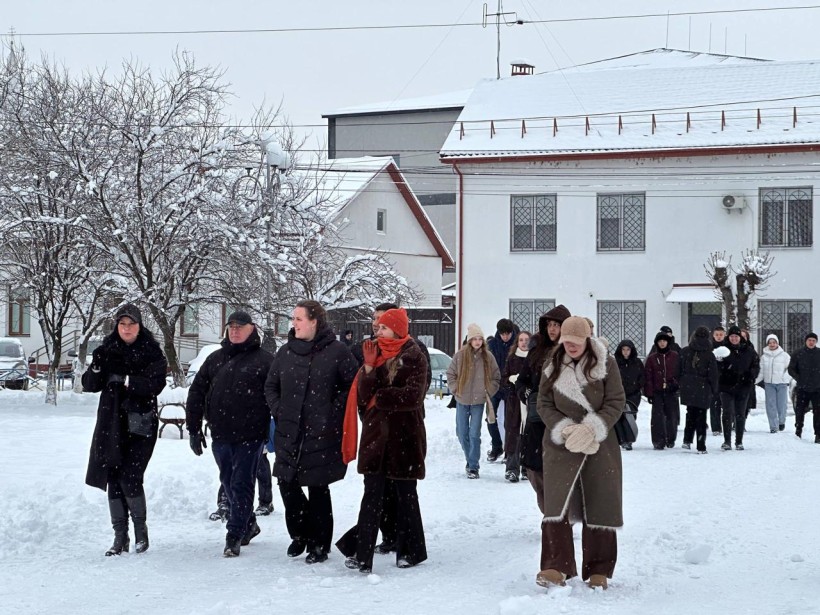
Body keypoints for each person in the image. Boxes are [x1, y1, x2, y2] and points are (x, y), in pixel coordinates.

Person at [535, 316, 625, 590]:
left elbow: (616, 400)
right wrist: (564, 429)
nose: (571, 346)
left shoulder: (606, 363)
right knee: (556, 506)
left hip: (599, 444)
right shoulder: (552, 365)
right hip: (561, 445)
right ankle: (555, 566)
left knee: (600, 502)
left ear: (587, 339)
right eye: (566, 341)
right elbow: (543, 402)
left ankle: (599, 569)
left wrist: (593, 427)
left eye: (576, 341)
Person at [265, 300, 358, 563]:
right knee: (287, 484)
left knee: (318, 488)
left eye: (298, 319)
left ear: (314, 321)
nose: (293, 324)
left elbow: (352, 386)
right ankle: (300, 534)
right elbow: (270, 386)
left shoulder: (337, 351)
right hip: (288, 431)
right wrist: (279, 410)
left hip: (321, 432)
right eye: (292, 319)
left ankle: (320, 544)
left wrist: (330, 410)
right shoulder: (285, 352)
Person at [337, 308, 428, 573]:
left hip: (405, 437)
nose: (378, 331)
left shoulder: (414, 356)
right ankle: (363, 554)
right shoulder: (374, 353)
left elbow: (413, 396)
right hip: (376, 436)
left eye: (384, 328)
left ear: (397, 330)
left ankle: (410, 551)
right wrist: (367, 368)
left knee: (406, 495)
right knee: (372, 496)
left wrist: (382, 397)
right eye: (378, 328)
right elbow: (365, 398)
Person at [186, 310, 274, 557]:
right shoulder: (215, 358)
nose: (235, 330)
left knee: (242, 482)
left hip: (251, 435)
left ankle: (234, 534)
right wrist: (193, 428)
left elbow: (278, 397)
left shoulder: (265, 360)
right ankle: (249, 524)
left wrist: (282, 431)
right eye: (231, 326)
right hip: (221, 433)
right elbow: (196, 393)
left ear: (252, 328)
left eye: (240, 326)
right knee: (227, 480)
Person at [83, 304, 167, 556]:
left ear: (140, 326)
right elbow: (89, 385)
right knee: (113, 476)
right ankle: (120, 536)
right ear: (117, 326)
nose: (127, 328)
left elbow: (156, 384)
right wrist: (97, 367)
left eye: (131, 324)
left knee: (130, 475)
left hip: (140, 424)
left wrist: (127, 381)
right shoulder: (106, 351)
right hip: (111, 424)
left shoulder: (151, 352)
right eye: (122, 324)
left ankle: (141, 531)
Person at [515, 305, 570, 508]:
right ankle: (549, 511)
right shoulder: (537, 351)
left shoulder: (571, 352)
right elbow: (522, 381)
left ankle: (558, 516)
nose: (552, 329)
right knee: (534, 469)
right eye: (550, 325)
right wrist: (528, 394)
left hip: (562, 420)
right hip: (537, 420)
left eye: (557, 325)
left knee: (561, 469)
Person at [446, 323, 501, 479]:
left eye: (480, 339)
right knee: (462, 433)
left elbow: (496, 377)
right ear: (469, 340)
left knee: (474, 434)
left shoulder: (488, 357)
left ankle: (473, 466)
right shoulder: (460, 356)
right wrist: (456, 389)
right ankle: (470, 459)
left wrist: (488, 391)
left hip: (479, 401)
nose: (477, 342)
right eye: (474, 339)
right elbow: (450, 374)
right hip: (462, 400)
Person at [209, 418, 275, 521]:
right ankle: (225, 503)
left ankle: (265, 502)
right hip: (233, 423)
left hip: (256, 424)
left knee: (259, 463)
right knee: (230, 467)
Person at [716, 325, 759, 451]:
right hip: (726, 386)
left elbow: (755, 366)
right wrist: (723, 369)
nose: (734, 339)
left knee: (740, 413)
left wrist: (751, 376)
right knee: (727, 412)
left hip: (743, 386)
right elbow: (716, 367)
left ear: (740, 337)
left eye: (736, 336)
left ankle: (739, 441)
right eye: (732, 336)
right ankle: (727, 441)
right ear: (728, 337)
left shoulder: (749, 350)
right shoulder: (722, 350)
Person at [679, 326, 719, 453]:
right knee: (701, 416)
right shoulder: (709, 354)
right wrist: (714, 389)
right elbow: (713, 374)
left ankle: (687, 439)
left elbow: (678, 369)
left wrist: (682, 383)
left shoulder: (685, 351)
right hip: (703, 387)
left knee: (690, 413)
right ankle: (701, 445)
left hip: (689, 386)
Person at [487, 318, 519, 461]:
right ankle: (496, 446)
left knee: (510, 421)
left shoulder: (518, 344)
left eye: (508, 334)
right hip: (495, 386)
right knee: (490, 418)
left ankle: (509, 450)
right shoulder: (492, 344)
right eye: (502, 334)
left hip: (511, 386)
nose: (505, 336)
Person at [500, 330, 531, 482]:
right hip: (514, 403)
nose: (524, 342)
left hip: (530, 401)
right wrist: (512, 379)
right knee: (514, 435)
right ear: (517, 343)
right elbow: (503, 379)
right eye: (521, 340)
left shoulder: (534, 359)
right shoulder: (512, 359)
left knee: (529, 435)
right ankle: (512, 469)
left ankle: (527, 468)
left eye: (527, 340)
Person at [644, 331, 681, 449]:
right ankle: (658, 441)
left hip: (671, 391)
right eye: (660, 341)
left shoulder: (675, 356)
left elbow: (679, 373)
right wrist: (649, 393)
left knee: (672, 416)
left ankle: (670, 439)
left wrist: (675, 384)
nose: (662, 343)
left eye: (664, 341)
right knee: (657, 417)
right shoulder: (652, 358)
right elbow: (648, 376)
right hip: (657, 392)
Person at [787, 332, 820, 442]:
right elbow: (791, 369)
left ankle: (818, 434)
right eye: (809, 340)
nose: (811, 342)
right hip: (802, 388)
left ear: (816, 342)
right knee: (800, 411)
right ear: (806, 341)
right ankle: (798, 430)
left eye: (813, 341)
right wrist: (799, 378)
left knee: (818, 412)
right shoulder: (798, 353)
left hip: (817, 388)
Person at [614, 339, 644, 450]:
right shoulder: (615, 362)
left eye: (628, 349)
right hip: (618, 394)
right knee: (619, 417)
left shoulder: (637, 362)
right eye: (623, 349)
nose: (626, 352)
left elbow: (642, 377)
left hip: (633, 395)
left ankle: (629, 439)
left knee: (630, 416)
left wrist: (637, 386)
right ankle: (622, 439)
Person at [757, 334, 791, 433]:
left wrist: (784, 379)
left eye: (774, 342)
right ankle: (773, 426)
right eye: (770, 342)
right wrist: (754, 381)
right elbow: (761, 371)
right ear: (767, 344)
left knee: (782, 405)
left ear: (777, 343)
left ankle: (781, 421)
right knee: (770, 405)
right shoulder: (764, 357)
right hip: (769, 384)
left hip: (782, 384)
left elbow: (790, 369)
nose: (772, 344)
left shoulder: (785, 355)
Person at [710, 326, 726, 436]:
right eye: (717, 335)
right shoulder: (709, 347)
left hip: (725, 380)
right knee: (714, 404)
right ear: (713, 335)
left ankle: (727, 425)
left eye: (721, 335)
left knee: (726, 405)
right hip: (713, 380)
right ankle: (715, 427)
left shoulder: (728, 347)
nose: (719, 337)